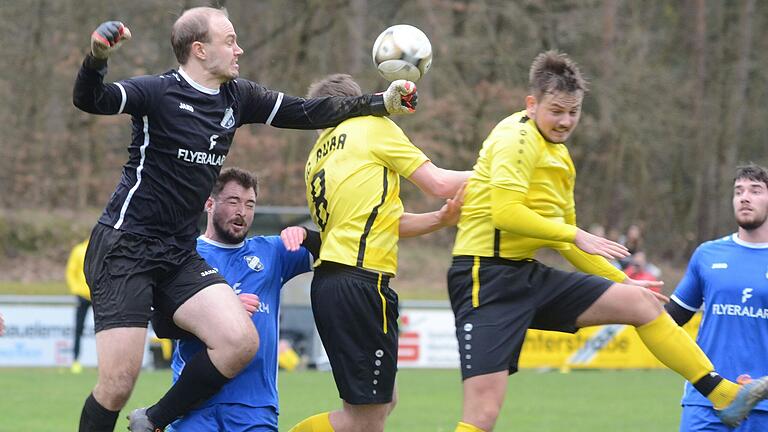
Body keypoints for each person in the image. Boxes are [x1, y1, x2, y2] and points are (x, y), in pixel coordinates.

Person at [72, 7, 419, 432]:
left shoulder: (237, 96)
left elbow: (306, 111)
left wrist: (380, 103)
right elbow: (92, 99)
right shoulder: (156, 93)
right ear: (199, 50)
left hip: (178, 254)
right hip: (125, 248)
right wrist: (97, 58)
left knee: (240, 342)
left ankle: (155, 419)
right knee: (117, 384)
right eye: (230, 40)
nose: (241, 49)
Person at [446, 50, 768, 432]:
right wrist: (576, 233)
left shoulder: (560, 158)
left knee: (640, 303)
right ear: (531, 104)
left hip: (525, 273)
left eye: (574, 111)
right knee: (482, 415)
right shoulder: (515, 138)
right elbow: (507, 214)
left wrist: (625, 282)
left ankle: (724, 396)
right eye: (556, 111)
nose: (566, 121)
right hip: (485, 279)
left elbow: (568, 245)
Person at [289, 74, 470, 432]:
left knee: (384, 402)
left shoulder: (318, 155)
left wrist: (441, 219)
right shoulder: (371, 126)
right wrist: (503, 175)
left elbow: (382, 221)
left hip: (330, 283)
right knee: (366, 421)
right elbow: (438, 183)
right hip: (361, 284)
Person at [153, 167, 316, 432]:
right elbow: (162, 323)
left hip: (254, 407)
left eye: (249, 204)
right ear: (209, 204)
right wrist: (221, 314)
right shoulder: (184, 256)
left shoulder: (272, 252)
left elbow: (337, 251)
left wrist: (307, 236)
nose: (242, 211)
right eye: (233, 201)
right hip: (193, 407)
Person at [666, 164, 768, 432]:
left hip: (764, 407)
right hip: (705, 402)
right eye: (739, 191)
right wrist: (635, 302)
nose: (745, 197)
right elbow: (669, 321)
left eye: (755, 190)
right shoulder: (707, 255)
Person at [66, 239, 91, 374]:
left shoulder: (103, 247)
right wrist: (76, 290)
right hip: (83, 296)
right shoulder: (79, 250)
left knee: (106, 330)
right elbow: (71, 272)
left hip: (100, 296)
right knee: (78, 329)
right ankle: (75, 360)